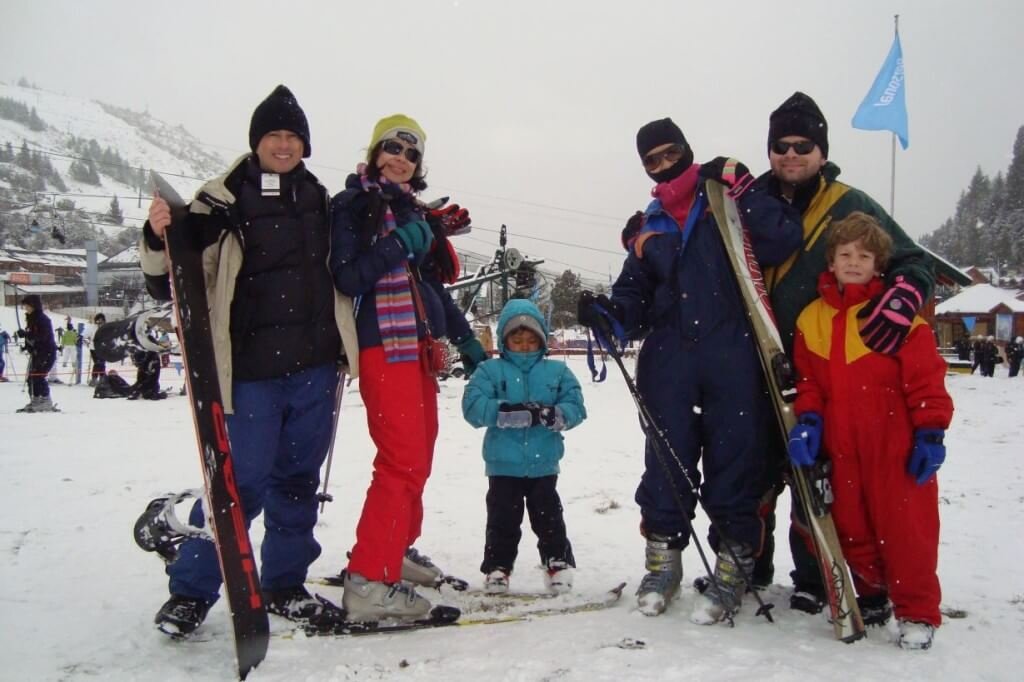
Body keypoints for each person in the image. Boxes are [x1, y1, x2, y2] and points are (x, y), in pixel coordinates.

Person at [137, 84, 357, 636]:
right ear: (256, 141)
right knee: (237, 484)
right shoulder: (221, 200)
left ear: (304, 145)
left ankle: (284, 582)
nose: (283, 145)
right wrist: (157, 233)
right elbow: (169, 281)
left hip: (314, 369)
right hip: (251, 374)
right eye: (273, 135)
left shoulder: (320, 200)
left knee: (298, 481)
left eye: (293, 137)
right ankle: (193, 589)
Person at [577, 118, 802, 623]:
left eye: (669, 153)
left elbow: (784, 239)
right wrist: (610, 314)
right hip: (669, 358)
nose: (663, 165)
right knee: (666, 463)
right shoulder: (650, 223)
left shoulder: (723, 197)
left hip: (733, 352)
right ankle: (663, 563)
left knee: (735, 462)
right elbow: (633, 292)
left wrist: (746, 189)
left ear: (687, 149)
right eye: (651, 161)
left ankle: (732, 568)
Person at [749, 92, 937, 614]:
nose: (791, 154)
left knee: (817, 482)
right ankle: (748, 566)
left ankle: (814, 576)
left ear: (821, 149)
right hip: (755, 366)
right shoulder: (746, 201)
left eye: (803, 145)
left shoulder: (850, 205)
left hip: (825, 369)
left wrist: (903, 296)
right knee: (752, 474)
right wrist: (642, 230)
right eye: (780, 145)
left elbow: (911, 260)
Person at [329, 113, 487, 622]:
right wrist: (401, 242)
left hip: (417, 347)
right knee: (400, 461)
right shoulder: (353, 205)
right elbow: (349, 276)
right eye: (392, 147)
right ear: (375, 151)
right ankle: (368, 582)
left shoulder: (409, 211)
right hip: (381, 345)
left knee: (419, 458)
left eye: (411, 152)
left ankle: (393, 548)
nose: (400, 158)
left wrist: (465, 339)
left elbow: (430, 288)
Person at [787, 212, 953, 650]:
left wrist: (930, 432)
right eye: (845, 254)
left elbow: (925, 379)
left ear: (880, 263)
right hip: (840, 444)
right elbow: (808, 382)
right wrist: (809, 421)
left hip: (892, 443)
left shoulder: (897, 317)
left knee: (907, 530)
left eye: (864, 255)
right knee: (850, 525)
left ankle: (916, 611)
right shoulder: (812, 319)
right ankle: (874, 594)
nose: (854, 262)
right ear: (831, 261)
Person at [462, 299, 586, 595]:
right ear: (505, 340)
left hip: (544, 464)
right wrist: (507, 412)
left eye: (532, 340)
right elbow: (472, 407)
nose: (525, 345)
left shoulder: (557, 372)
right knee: (502, 520)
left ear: (542, 340)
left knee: (549, 518)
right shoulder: (490, 371)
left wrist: (554, 415)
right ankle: (497, 568)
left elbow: (576, 405)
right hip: (503, 465)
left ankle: (557, 564)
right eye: (517, 340)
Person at [14, 294, 58, 412]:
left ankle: (46, 401)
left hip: (46, 352)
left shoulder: (43, 319)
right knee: (31, 378)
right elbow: (32, 338)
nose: (26, 308)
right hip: (37, 353)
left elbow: (43, 336)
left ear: (34, 306)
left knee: (39, 376)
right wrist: (27, 344)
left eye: (27, 306)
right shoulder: (31, 319)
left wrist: (27, 335)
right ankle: (36, 400)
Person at [87, 313, 107, 386]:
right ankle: (94, 379)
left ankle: (102, 379)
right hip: (94, 348)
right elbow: (86, 335)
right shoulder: (92, 327)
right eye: (99, 320)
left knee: (102, 364)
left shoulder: (105, 328)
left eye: (102, 320)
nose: (100, 321)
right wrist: (87, 341)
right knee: (97, 363)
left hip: (103, 348)